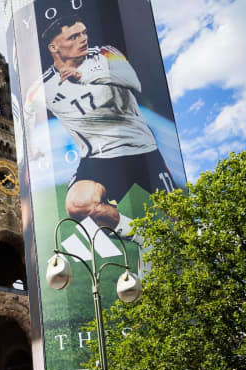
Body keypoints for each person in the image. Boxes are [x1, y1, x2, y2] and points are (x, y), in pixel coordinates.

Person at [26, 14, 176, 241]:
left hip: (143, 150)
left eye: (84, 33)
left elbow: (133, 81)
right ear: (54, 47)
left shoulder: (105, 54)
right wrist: (34, 148)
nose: (83, 39)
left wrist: (85, 76)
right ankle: (146, 239)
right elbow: (27, 116)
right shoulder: (41, 88)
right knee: (78, 205)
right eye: (74, 36)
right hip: (99, 157)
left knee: (179, 216)